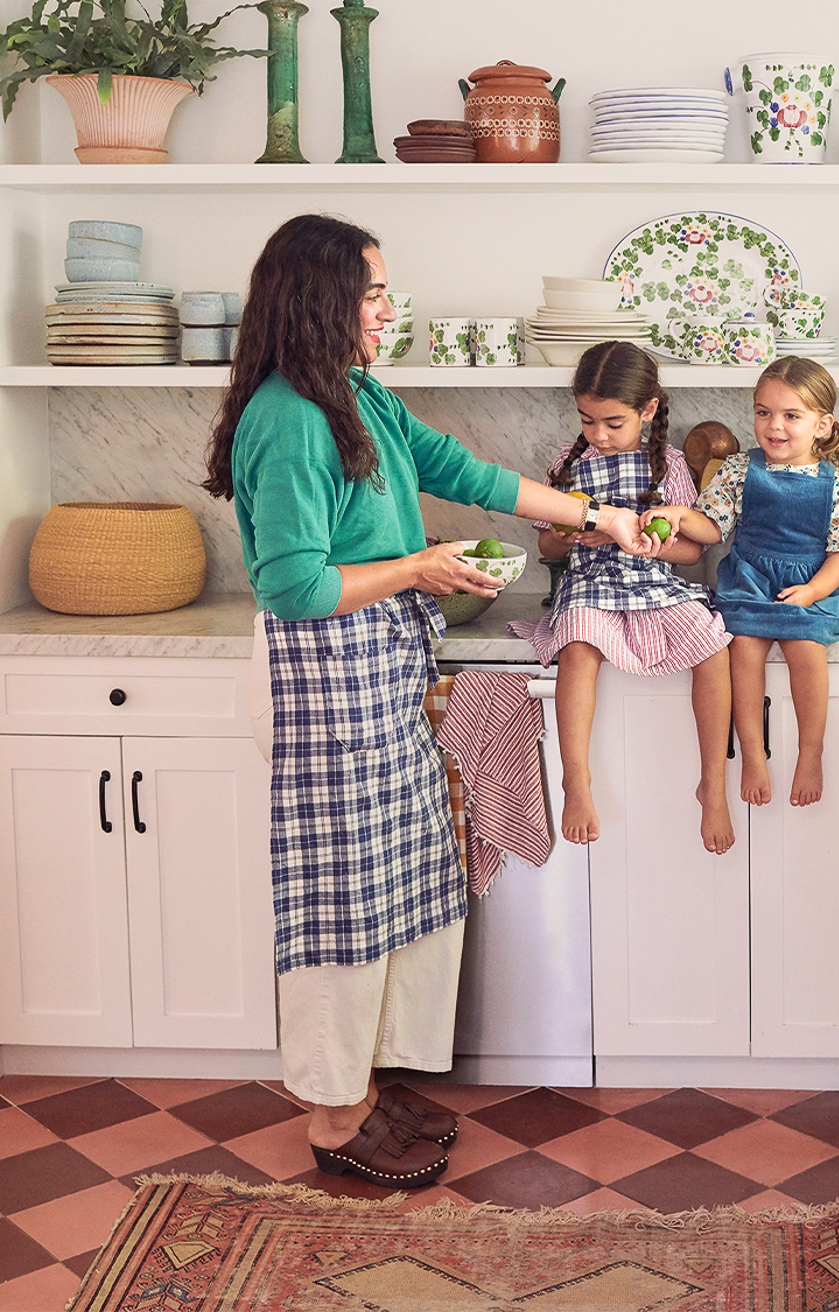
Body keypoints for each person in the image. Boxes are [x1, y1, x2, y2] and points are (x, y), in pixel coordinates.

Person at [202, 214, 650, 1191]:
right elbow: (295, 586)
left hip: (380, 664)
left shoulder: (354, 391)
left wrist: (598, 514)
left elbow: (460, 470)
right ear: (322, 299)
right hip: (326, 677)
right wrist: (417, 565)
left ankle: (368, 1081)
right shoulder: (287, 417)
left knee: (400, 878)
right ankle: (332, 1110)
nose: (387, 308)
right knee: (338, 902)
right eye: (372, 292)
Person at [508, 341, 735, 854]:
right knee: (578, 648)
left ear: (648, 410)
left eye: (613, 422)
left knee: (713, 646)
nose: (600, 435)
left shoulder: (668, 465)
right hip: (589, 584)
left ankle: (713, 785)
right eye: (588, 421)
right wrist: (564, 536)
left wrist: (636, 537)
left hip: (656, 584)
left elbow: (690, 555)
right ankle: (576, 780)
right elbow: (544, 540)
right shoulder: (567, 466)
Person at [644, 356, 839, 809]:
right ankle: (751, 752)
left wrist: (814, 592)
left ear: (822, 425)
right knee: (742, 650)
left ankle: (811, 752)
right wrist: (680, 515)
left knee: (806, 651)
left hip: (808, 583)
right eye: (763, 412)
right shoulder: (738, 470)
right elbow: (712, 528)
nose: (774, 425)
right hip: (750, 580)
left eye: (791, 415)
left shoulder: (834, 484)